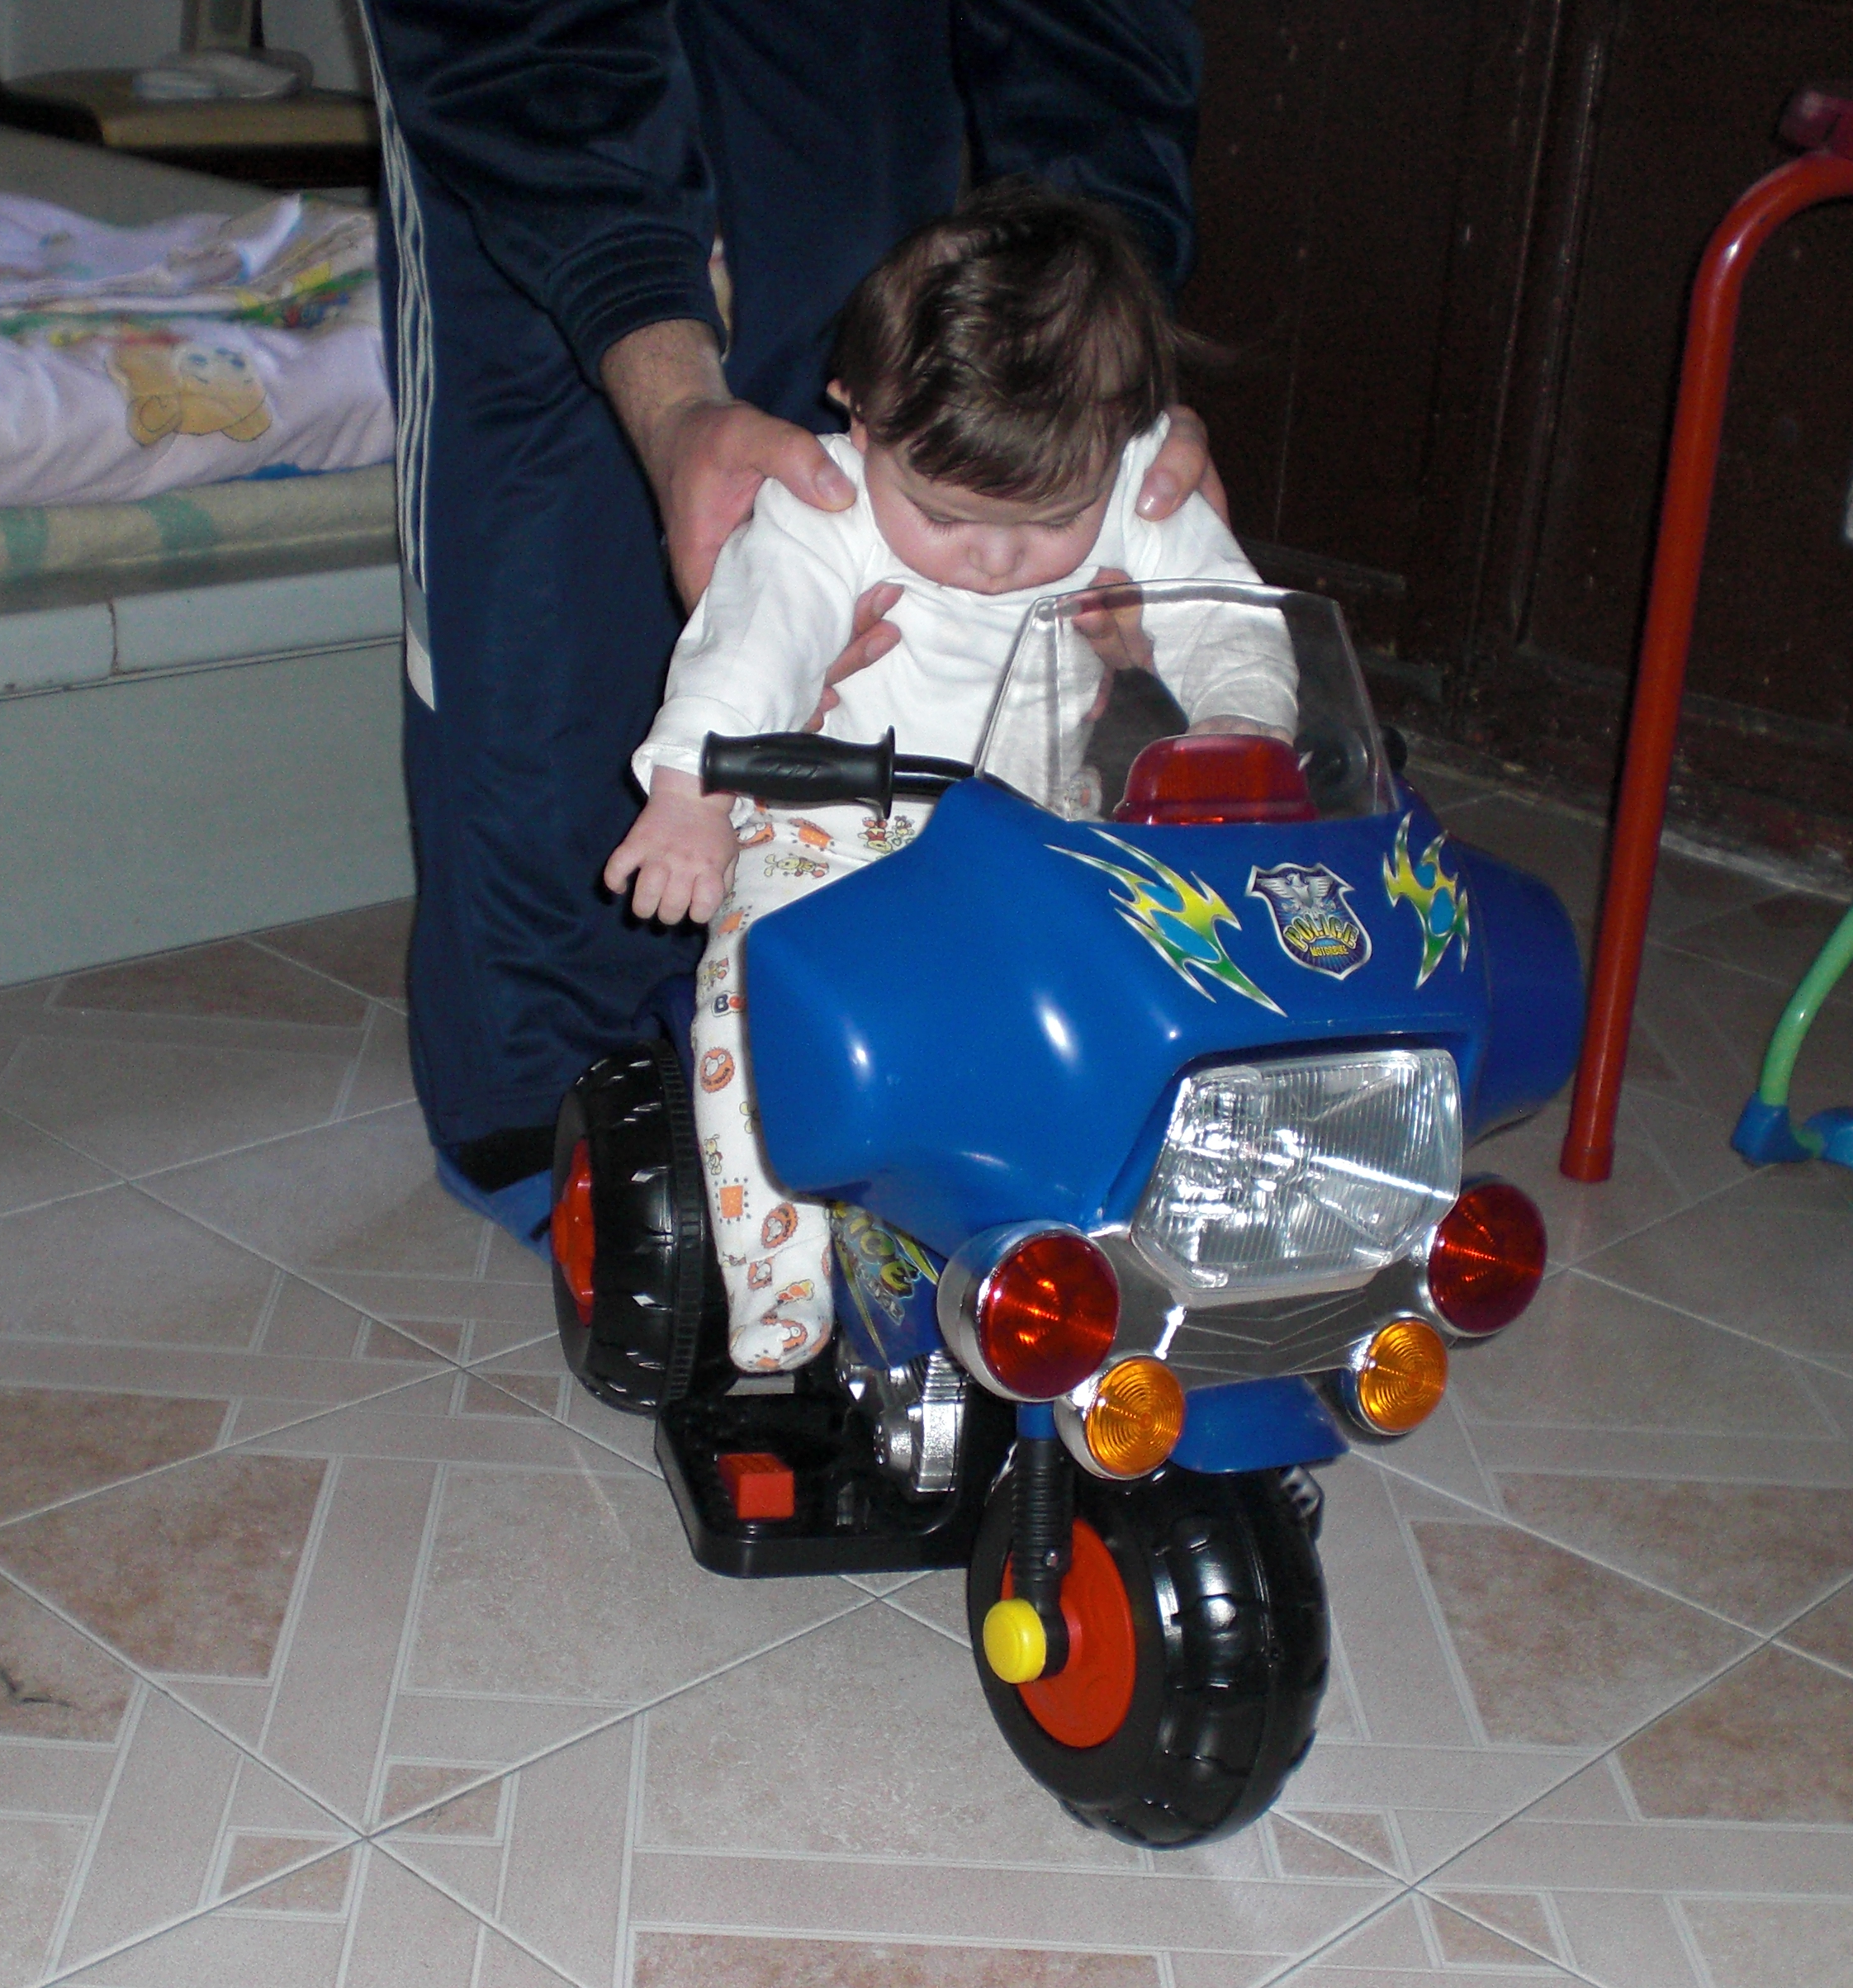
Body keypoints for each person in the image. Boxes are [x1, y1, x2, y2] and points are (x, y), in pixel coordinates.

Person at [356, 0, 1220, 1247]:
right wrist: (666, 397)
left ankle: (905, 1077)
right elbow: (518, 50)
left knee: (854, 254)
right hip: (525, 41)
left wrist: (1101, 361)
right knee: (551, 454)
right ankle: (548, 1077)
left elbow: (1101, 47)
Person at [604, 184, 1273, 1373]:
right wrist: (694, 789)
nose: (999, 558)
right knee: (754, 1011)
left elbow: (1230, 619)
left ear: (1121, 440)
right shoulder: (823, 507)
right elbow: (749, 642)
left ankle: (1110, 1247)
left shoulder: (1131, 479)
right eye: (948, 517)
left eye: (1053, 519)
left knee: (1142, 1008)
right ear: (858, 419)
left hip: (1041, 837)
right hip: (831, 832)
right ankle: (780, 1273)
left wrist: (1240, 727)